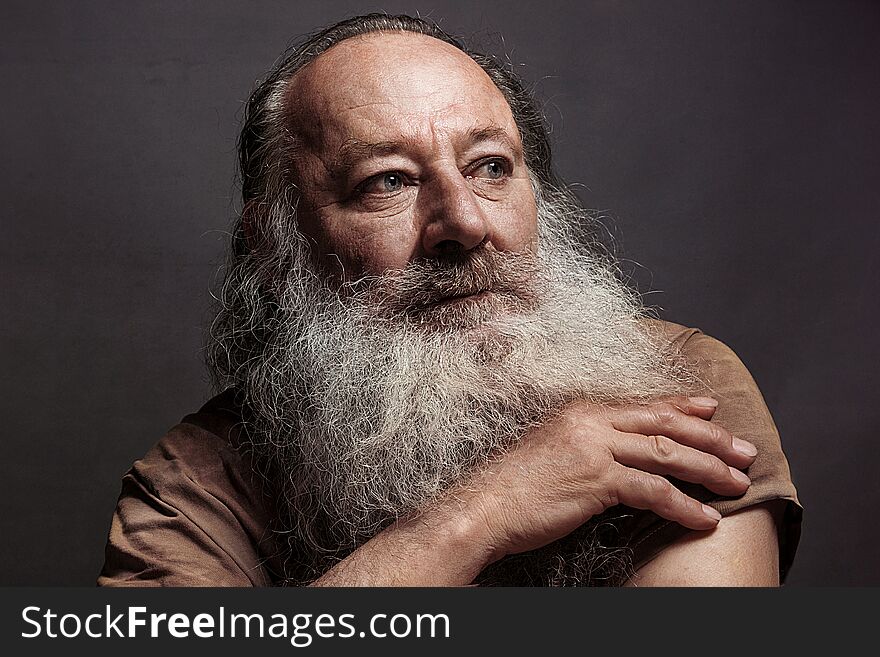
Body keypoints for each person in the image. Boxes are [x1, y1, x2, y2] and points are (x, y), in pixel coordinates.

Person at [98, 13, 801, 587]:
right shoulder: (191, 488)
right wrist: (475, 516)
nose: (464, 223)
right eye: (388, 181)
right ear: (273, 243)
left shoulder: (674, 382)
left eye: (490, 167)